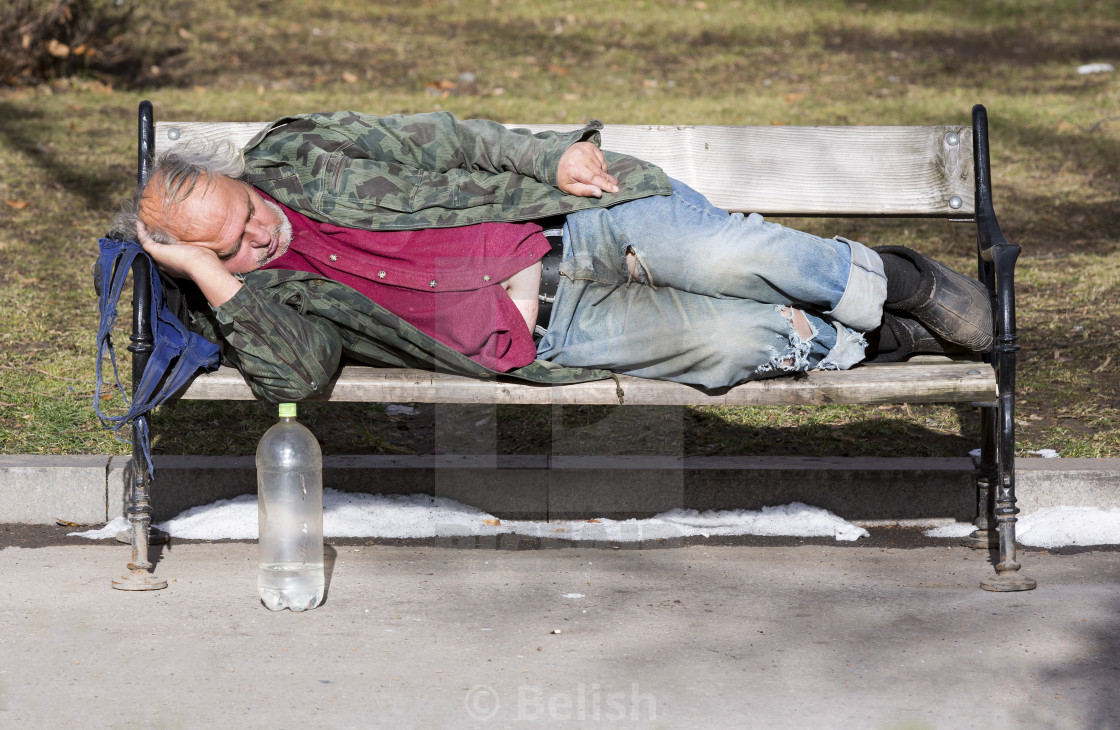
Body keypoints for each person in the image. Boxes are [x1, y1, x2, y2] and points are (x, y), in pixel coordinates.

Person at [111, 111, 992, 402]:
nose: (257, 236)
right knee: (732, 348)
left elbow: (444, 139)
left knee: (724, 256)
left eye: (249, 214)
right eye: (229, 248)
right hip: (557, 333)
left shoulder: (302, 152)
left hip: (568, 229)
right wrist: (218, 281)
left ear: (247, 179)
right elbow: (299, 382)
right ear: (196, 259)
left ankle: (905, 280)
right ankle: (878, 341)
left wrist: (548, 158)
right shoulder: (244, 304)